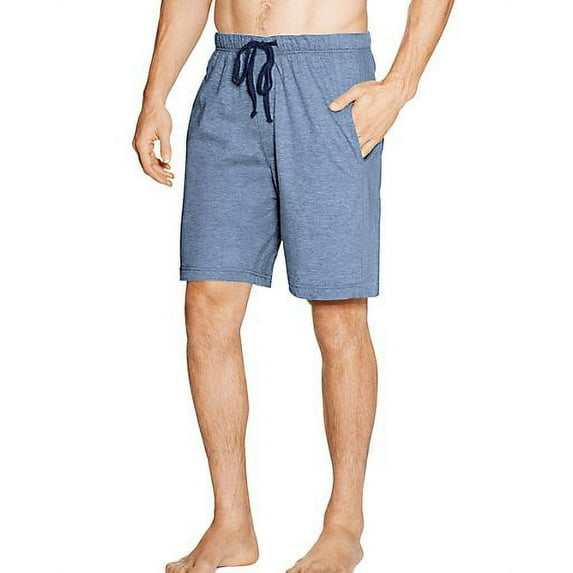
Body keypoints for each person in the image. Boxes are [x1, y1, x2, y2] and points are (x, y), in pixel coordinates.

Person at [133, 0, 453, 571]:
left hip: (329, 81)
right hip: (230, 77)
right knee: (207, 305)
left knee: (338, 312)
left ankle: (345, 525)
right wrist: (155, 94)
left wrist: (400, 84)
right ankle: (231, 523)